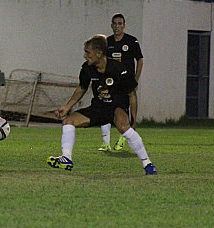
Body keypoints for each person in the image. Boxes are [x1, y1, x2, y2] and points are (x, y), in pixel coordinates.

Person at [46, 34, 157, 175]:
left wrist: (133, 120)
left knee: (124, 127)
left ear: (99, 53)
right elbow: (82, 88)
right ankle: (66, 158)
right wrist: (66, 107)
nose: (85, 56)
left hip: (117, 107)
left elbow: (132, 95)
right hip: (98, 108)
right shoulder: (87, 68)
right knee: (69, 121)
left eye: (88, 52)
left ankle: (147, 164)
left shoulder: (119, 69)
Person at [98, 13, 144, 152]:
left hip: (126, 82)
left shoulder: (131, 41)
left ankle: (123, 140)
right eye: (115, 23)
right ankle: (105, 143)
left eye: (120, 24)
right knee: (105, 108)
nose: (117, 26)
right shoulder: (107, 42)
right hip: (110, 82)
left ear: (124, 25)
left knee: (125, 110)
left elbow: (140, 60)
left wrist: (135, 79)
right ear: (111, 25)